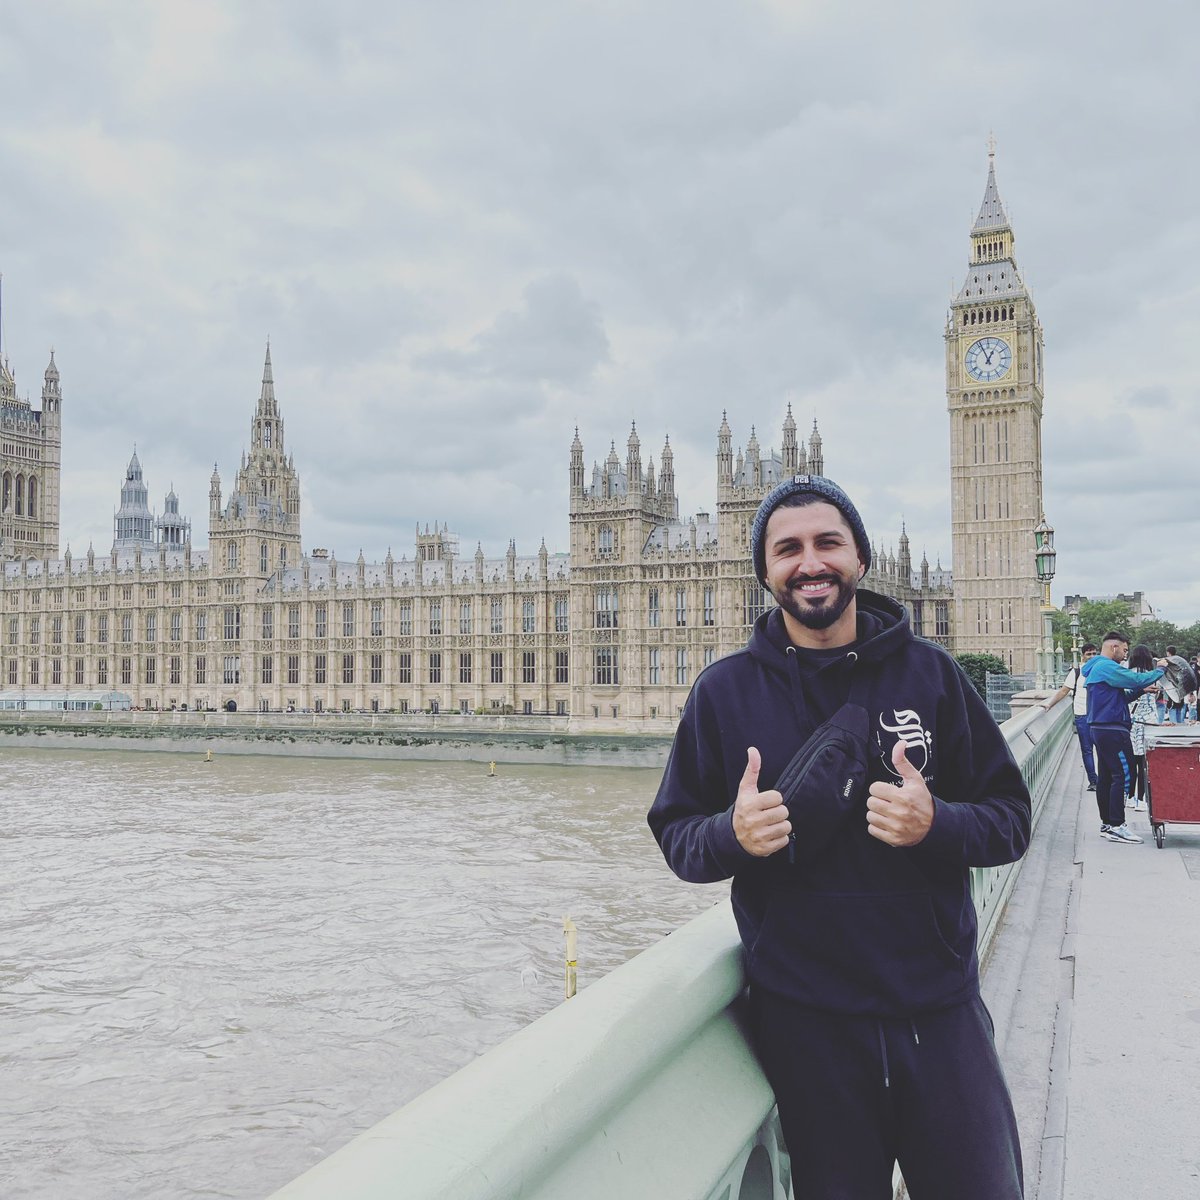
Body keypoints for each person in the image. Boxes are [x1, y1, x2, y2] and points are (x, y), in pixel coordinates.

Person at [647, 474, 1030, 1200]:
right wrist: (731, 834)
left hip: (938, 1013)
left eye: (828, 542)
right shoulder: (723, 692)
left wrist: (937, 823)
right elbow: (677, 837)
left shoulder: (933, 674)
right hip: (807, 1029)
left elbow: (1011, 819)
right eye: (787, 549)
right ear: (763, 571)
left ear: (861, 557)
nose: (810, 562)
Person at [1081, 631, 1166, 843]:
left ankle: (1107, 823)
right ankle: (1118, 825)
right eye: (1124, 650)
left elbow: (1119, 697)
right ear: (1114, 647)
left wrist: (1141, 691)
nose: (1126, 655)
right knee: (1123, 775)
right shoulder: (1107, 666)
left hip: (1101, 728)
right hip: (1112, 730)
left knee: (1107, 778)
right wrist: (1160, 669)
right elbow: (1136, 679)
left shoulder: (1097, 667)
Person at [1039, 643, 1099, 790]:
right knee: (1087, 750)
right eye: (1088, 654)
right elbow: (1063, 691)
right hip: (1082, 715)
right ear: (1082, 656)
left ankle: (1103, 780)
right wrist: (1049, 704)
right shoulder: (1076, 672)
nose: (1091, 657)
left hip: (1099, 715)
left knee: (1102, 750)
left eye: (1094, 654)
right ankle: (1093, 781)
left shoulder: (1100, 670)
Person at [1126, 644, 1160, 813]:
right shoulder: (1151, 676)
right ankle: (1141, 799)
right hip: (1148, 724)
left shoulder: (1128, 675)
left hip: (1132, 723)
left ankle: (1130, 797)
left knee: (1132, 763)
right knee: (1144, 764)